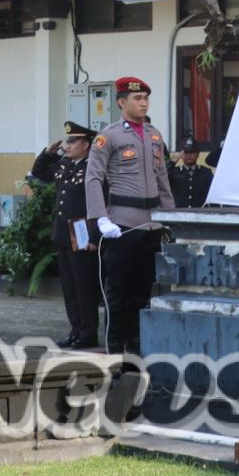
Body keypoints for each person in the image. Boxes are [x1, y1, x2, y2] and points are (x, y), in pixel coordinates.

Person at [85, 76, 174, 355]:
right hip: (122, 222)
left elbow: (162, 178)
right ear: (122, 102)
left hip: (151, 223)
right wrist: (100, 218)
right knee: (118, 291)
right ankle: (114, 346)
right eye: (137, 98)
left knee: (143, 290)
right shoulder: (108, 136)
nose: (143, 103)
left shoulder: (154, 135)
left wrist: (172, 217)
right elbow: (93, 178)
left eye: (146, 98)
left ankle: (136, 345)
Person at [31, 120, 100, 349]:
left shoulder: (93, 167)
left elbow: (101, 203)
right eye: (67, 141)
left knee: (84, 285)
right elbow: (39, 172)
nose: (67, 145)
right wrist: (47, 154)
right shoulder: (64, 165)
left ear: (86, 144)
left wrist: (94, 236)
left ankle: (89, 333)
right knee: (69, 286)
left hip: (82, 230)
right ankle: (76, 330)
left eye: (73, 141)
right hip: (63, 232)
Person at [167, 136, 212, 209]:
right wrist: (173, 162)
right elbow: (162, 176)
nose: (189, 155)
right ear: (181, 154)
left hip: (200, 213)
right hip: (179, 213)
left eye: (192, 152)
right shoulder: (174, 172)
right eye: (186, 153)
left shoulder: (206, 172)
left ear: (198, 154)